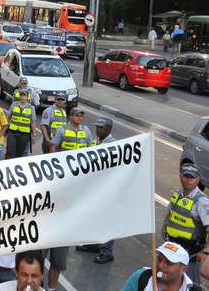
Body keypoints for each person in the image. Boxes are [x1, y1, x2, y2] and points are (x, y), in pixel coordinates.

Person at [46, 107, 93, 291]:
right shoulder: (62, 130)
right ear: (70, 116)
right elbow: (53, 145)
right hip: (64, 171)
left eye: (81, 115)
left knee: (58, 261)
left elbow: (90, 149)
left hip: (79, 175)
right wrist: (53, 162)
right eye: (76, 114)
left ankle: (51, 288)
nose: (79, 117)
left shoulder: (87, 131)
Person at [76, 116, 117, 263]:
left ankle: (106, 251)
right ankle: (94, 244)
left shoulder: (113, 145)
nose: (98, 130)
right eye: (97, 127)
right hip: (96, 187)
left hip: (108, 188)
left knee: (107, 219)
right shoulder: (97, 141)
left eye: (101, 128)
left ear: (109, 129)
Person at [163, 162, 209, 285]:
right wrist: (164, 228)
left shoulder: (202, 201)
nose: (188, 180)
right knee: (169, 281)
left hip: (191, 253)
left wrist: (205, 251)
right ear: (180, 176)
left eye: (192, 177)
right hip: (172, 248)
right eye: (185, 176)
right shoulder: (177, 194)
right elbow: (170, 213)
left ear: (198, 179)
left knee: (189, 284)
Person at [121, 241, 193, 291]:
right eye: (159, 259)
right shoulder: (141, 276)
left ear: (183, 269)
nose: (161, 266)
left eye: (168, 263)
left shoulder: (194, 290)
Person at [6, 89, 36, 159]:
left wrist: (33, 135)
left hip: (24, 135)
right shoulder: (14, 105)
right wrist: (5, 130)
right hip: (12, 133)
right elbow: (8, 118)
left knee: (20, 154)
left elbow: (33, 122)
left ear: (27, 97)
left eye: (24, 95)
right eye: (21, 95)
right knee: (10, 152)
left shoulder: (31, 108)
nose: (22, 97)